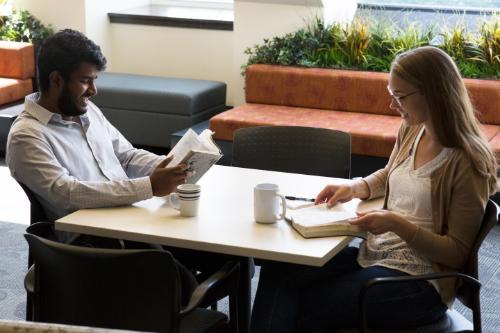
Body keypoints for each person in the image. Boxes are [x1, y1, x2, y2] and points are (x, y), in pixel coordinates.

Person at [250, 46, 497, 332]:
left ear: (432, 93)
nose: (394, 106)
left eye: (400, 97)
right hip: (375, 255)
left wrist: (395, 223)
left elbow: (455, 253)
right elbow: (391, 173)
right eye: (392, 95)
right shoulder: (413, 129)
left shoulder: (467, 162)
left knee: (303, 302)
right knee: (279, 269)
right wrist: (355, 188)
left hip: (422, 284)